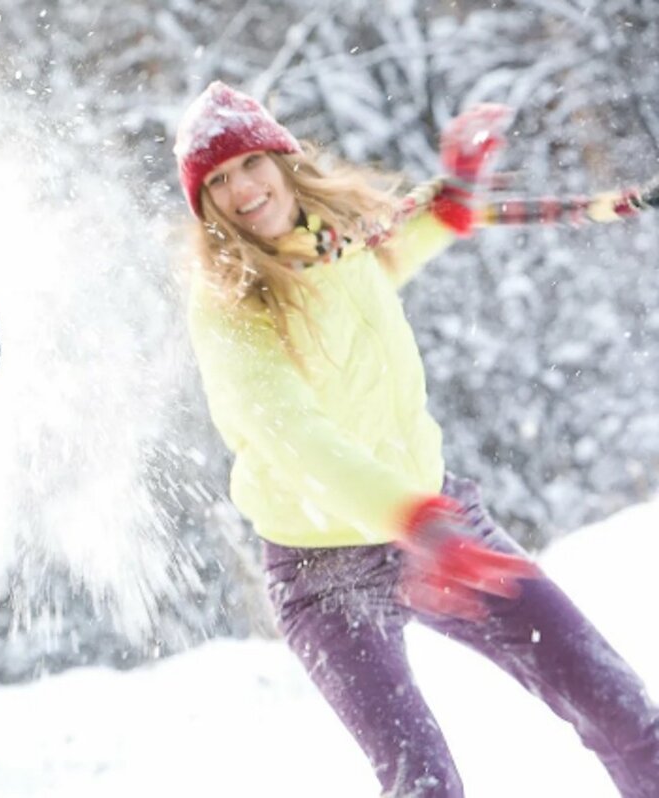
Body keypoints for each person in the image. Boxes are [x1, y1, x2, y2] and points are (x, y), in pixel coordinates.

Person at [174, 81, 659, 797]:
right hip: (324, 571)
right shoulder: (229, 306)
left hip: (438, 517)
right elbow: (292, 435)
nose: (241, 188)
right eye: (216, 181)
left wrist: (457, 195)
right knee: (424, 783)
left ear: (282, 160)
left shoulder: (338, 241)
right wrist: (414, 521)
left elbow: (385, 260)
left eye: (248, 163)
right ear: (205, 206)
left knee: (619, 710)